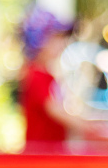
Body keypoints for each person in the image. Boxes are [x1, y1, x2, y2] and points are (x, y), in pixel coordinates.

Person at [18, 8, 86, 145]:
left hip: (52, 154)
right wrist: (89, 127)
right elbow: (55, 111)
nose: (62, 44)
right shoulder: (35, 75)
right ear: (38, 41)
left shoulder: (47, 75)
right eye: (56, 39)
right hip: (40, 157)